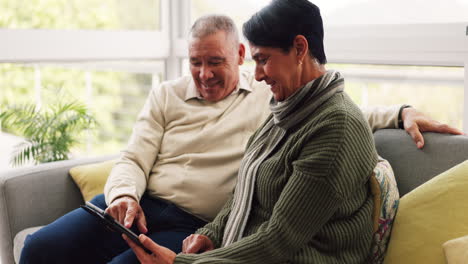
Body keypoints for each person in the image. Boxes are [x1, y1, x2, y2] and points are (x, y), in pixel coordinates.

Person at [20, 11, 462, 264]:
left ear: (238, 56)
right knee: (41, 248)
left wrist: (402, 111)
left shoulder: (275, 102)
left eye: (217, 61)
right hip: (144, 208)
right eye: (195, 62)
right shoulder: (177, 96)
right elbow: (133, 157)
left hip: (190, 221)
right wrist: (125, 196)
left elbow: (345, 122)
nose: (204, 73)